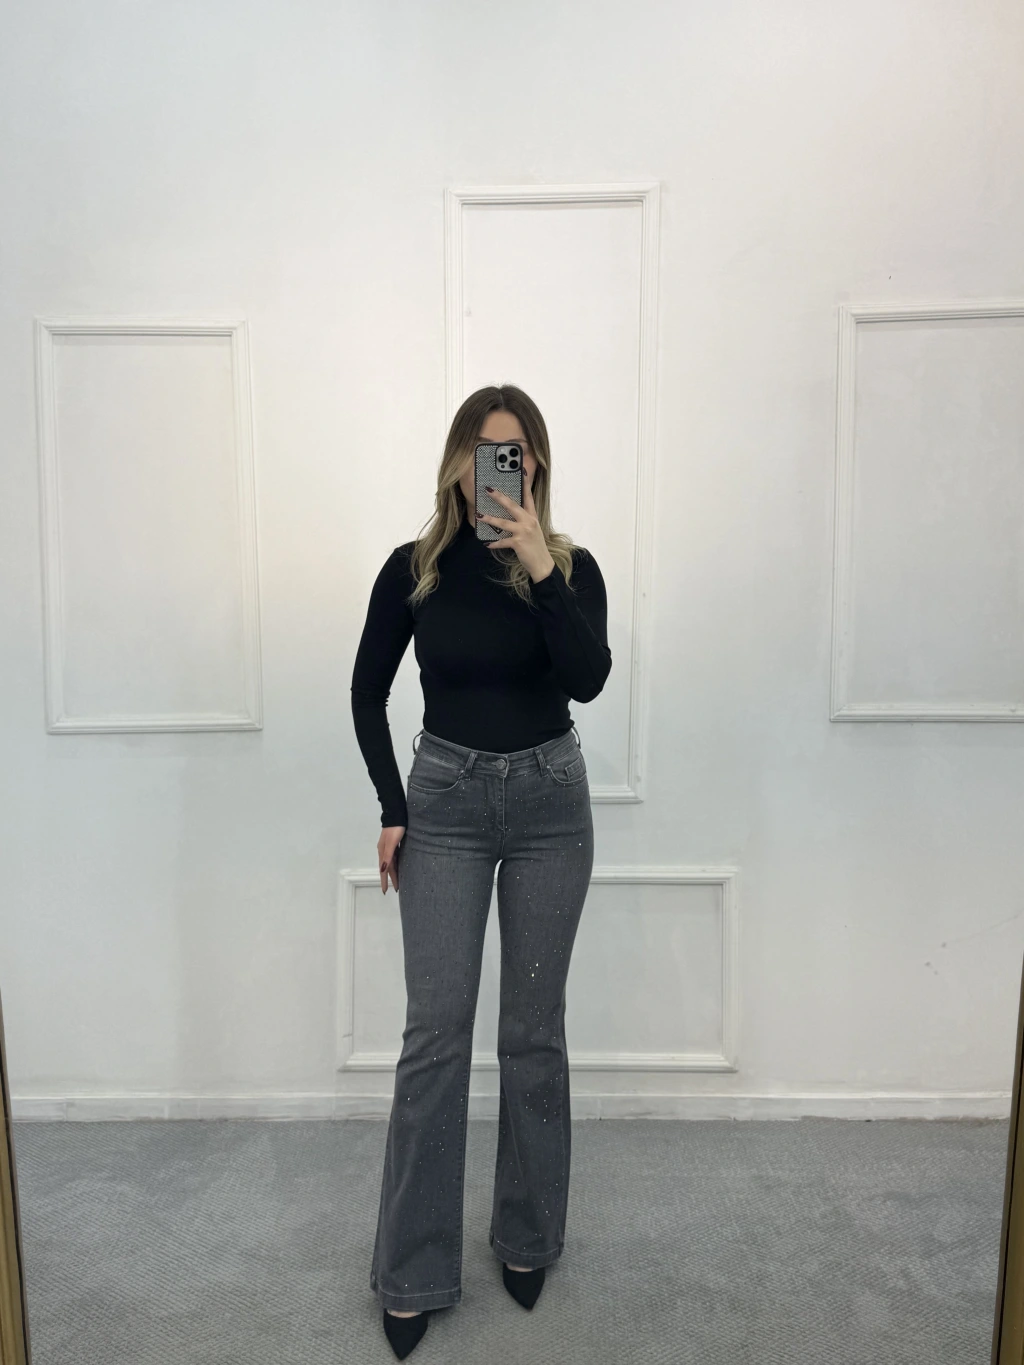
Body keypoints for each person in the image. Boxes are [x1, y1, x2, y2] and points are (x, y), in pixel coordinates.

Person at [350, 384, 612, 1359]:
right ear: (458, 463)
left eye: (518, 453)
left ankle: (528, 1236)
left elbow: (587, 678)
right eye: (484, 451)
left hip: (550, 806)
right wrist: (393, 807)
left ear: (535, 466)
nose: (500, 467)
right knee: (436, 1035)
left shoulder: (571, 569)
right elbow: (366, 691)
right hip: (447, 805)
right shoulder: (411, 569)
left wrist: (538, 562)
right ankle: (412, 1267)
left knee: (533, 1032)